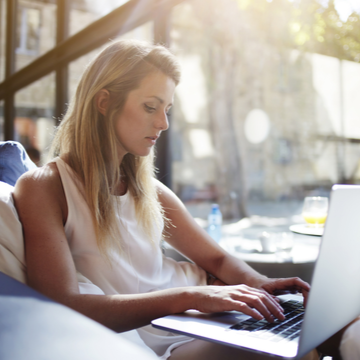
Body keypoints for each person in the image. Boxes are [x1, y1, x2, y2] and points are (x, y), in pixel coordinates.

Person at [13, 39, 315, 360]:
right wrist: (191, 297)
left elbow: (217, 260)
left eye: (167, 109)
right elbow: (62, 304)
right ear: (104, 101)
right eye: (150, 106)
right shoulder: (45, 187)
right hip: (162, 335)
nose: (163, 123)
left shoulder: (148, 190)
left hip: (199, 317)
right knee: (284, 350)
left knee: (314, 325)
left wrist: (259, 283)